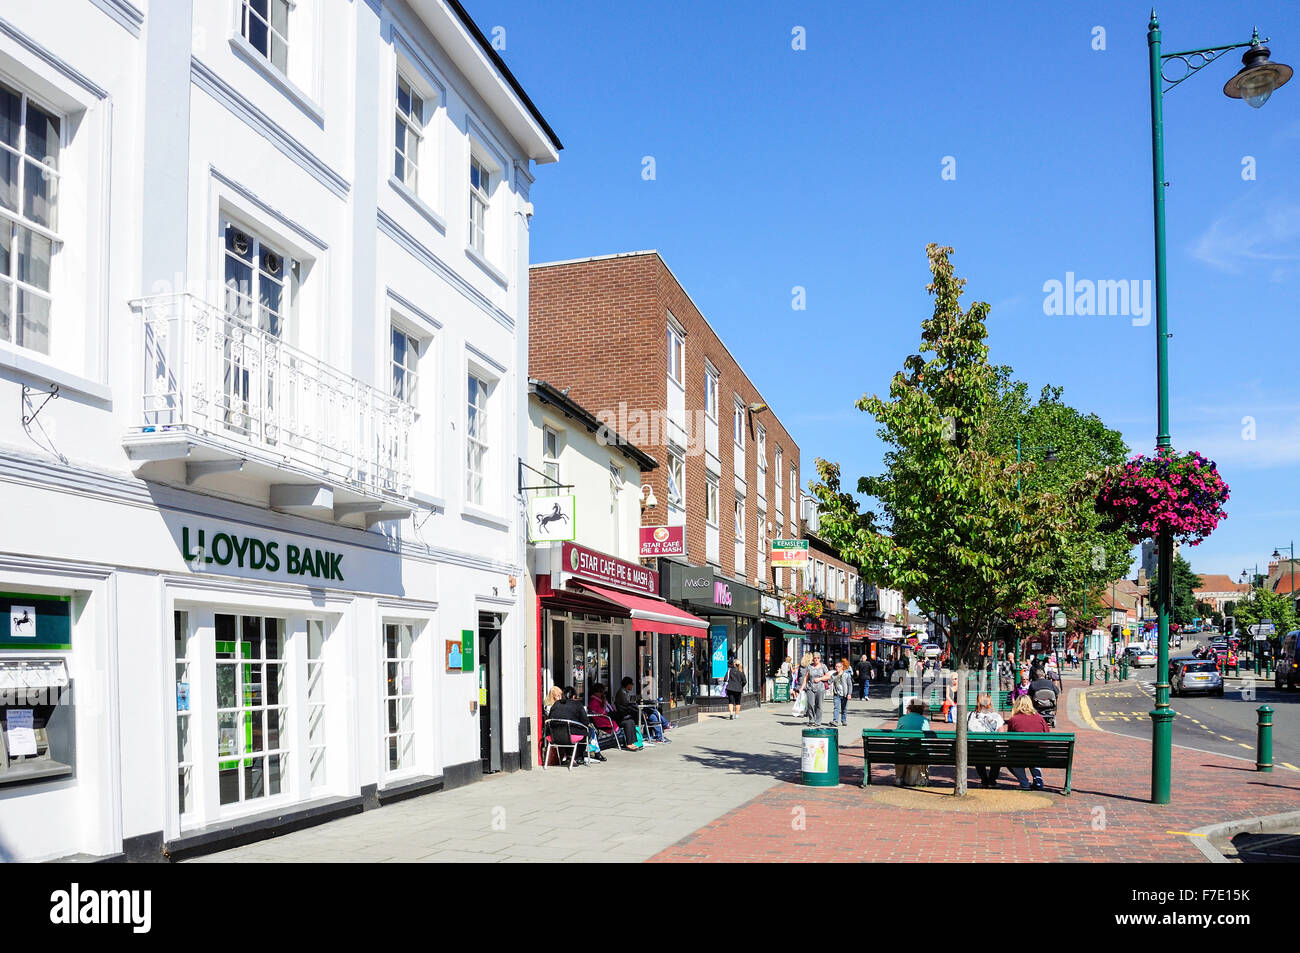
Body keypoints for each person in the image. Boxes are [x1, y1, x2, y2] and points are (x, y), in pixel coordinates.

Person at [1005, 695, 1050, 790]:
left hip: (1020, 754)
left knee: (1012, 759)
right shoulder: (1039, 718)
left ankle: (1024, 783)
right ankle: (1038, 782)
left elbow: (1010, 739)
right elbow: (1047, 733)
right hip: (1039, 754)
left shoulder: (1014, 720)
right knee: (1033, 758)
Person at [545, 686, 596, 765]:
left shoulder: (556, 704)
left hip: (553, 736)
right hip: (571, 736)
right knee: (586, 731)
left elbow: (550, 718)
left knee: (568, 732)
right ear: (574, 696)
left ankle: (570, 757)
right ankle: (577, 757)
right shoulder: (577, 704)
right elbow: (585, 722)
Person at [967, 693, 1005, 788]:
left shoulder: (969, 715)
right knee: (997, 756)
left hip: (975, 750)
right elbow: (1001, 734)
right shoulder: (996, 716)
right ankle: (992, 780)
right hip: (992, 749)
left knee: (977, 755)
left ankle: (984, 780)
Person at [894, 699, 932, 787]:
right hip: (919, 751)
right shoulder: (925, 721)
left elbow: (897, 737)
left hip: (903, 751)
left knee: (900, 749)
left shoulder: (902, 719)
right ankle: (921, 778)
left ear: (909, 708)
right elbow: (926, 741)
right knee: (924, 750)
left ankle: (899, 778)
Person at [613, 677, 645, 749]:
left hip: (624, 714)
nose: (632, 686)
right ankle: (629, 743)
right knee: (629, 722)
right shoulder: (622, 692)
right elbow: (626, 704)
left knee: (631, 721)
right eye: (631, 684)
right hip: (621, 716)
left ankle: (632, 742)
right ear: (628, 684)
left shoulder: (624, 692)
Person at [800, 652, 831, 726]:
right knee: (810, 704)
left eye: (818, 658)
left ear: (820, 659)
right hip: (810, 687)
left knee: (819, 705)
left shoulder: (823, 666)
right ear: (813, 659)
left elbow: (828, 676)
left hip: (820, 688)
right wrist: (802, 687)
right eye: (815, 658)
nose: (816, 659)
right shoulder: (809, 667)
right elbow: (806, 678)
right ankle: (811, 720)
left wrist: (820, 679)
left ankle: (818, 721)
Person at [830, 660, 852, 726]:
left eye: (838, 667)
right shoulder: (833, 675)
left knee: (844, 708)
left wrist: (849, 694)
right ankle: (835, 721)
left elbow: (850, 685)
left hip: (844, 694)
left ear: (842, 667)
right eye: (836, 667)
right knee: (836, 708)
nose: (837, 668)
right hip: (837, 694)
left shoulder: (846, 675)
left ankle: (843, 720)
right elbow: (829, 682)